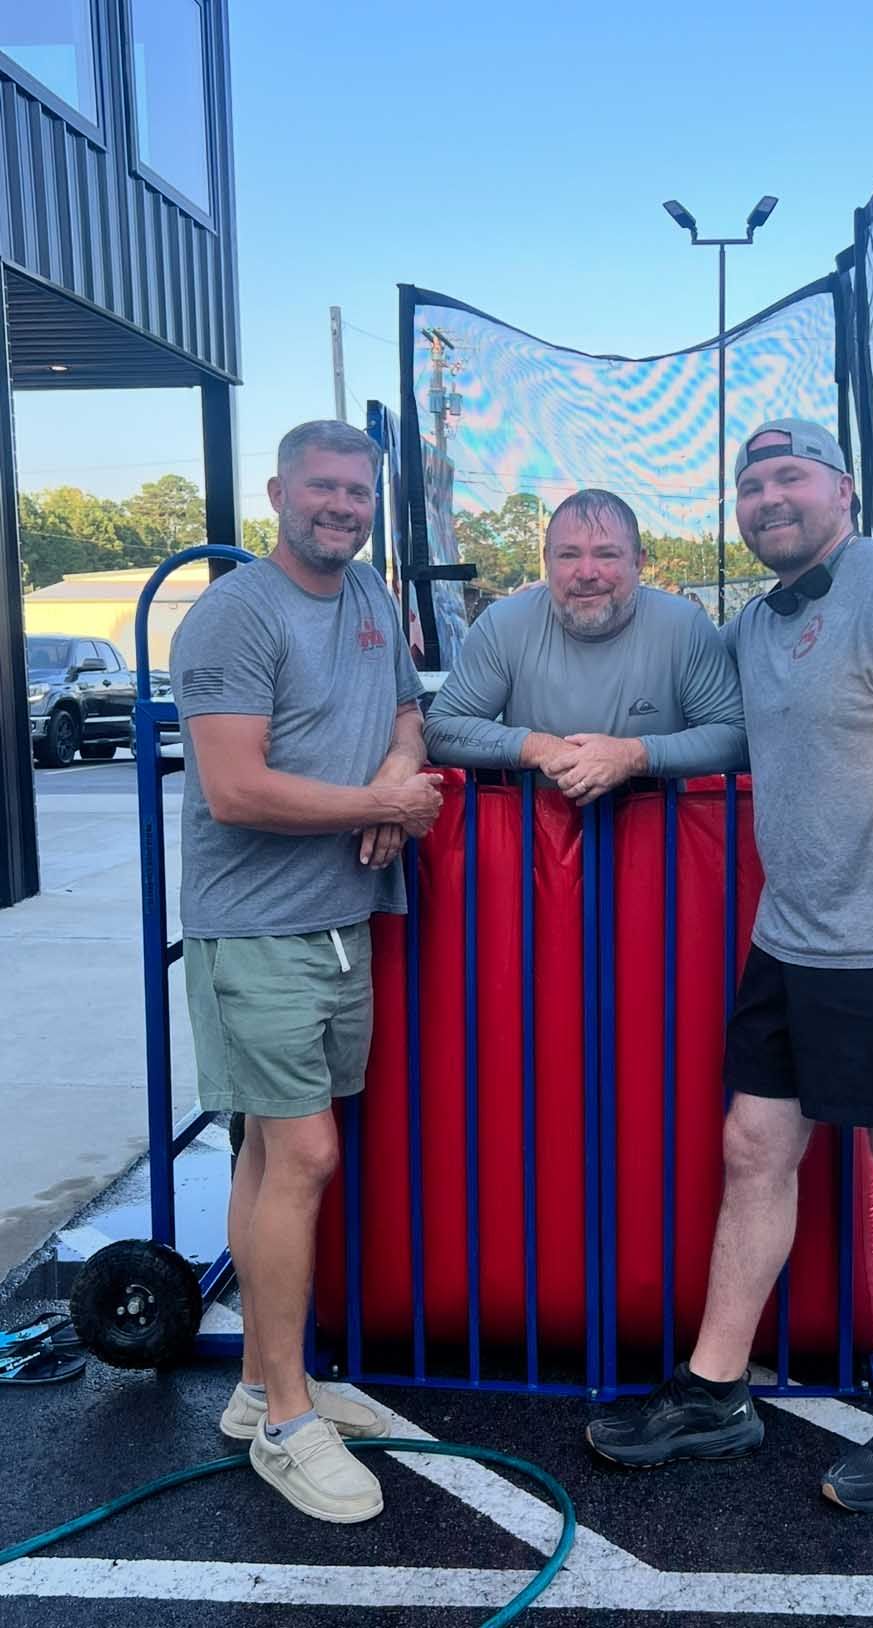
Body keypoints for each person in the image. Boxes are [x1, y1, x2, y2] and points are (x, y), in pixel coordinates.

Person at [587, 418, 873, 1515]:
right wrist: (619, 749)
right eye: (751, 483)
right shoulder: (758, 622)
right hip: (792, 939)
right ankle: (715, 1391)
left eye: (790, 476)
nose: (768, 496)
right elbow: (731, 737)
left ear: (843, 488)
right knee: (754, 1147)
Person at [171, 420, 444, 1524]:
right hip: (257, 929)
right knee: (305, 1153)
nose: (341, 505)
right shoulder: (234, 614)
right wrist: (384, 805)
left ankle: (255, 1387)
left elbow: (412, 714)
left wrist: (395, 764)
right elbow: (235, 788)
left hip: (341, 920)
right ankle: (289, 1420)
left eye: (356, 490)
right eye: (322, 487)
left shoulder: (371, 598)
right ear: (278, 491)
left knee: (265, 1152)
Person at [424, 489, 746, 799]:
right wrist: (538, 748)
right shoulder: (504, 624)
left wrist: (634, 756)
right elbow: (441, 730)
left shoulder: (683, 626)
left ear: (639, 561)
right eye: (568, 555)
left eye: (607, 555)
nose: (587, 572)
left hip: (659, 843)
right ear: (547, 560)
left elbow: (736, 736)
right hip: (536, 843)